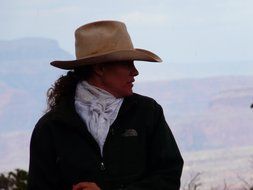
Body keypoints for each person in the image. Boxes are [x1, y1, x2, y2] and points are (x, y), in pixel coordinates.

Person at [27, 20, 184, 190]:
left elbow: (168, 177)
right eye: (127, 63)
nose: (135, 72)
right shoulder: (51, 127)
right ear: (100, 68)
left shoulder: (147, 112)